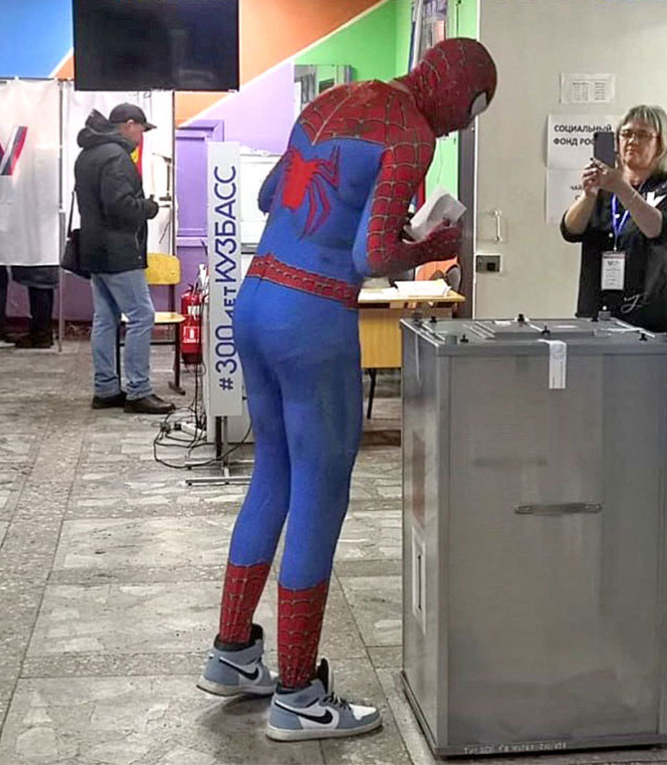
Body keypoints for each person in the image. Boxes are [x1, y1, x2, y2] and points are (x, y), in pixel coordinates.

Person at [196, 38, 497, 742]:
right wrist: (428, 244)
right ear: (459, 91)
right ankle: (298, 692)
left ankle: (232, 651)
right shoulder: (410, 131)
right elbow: (372, 256)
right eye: (472, 111)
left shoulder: (334, 100)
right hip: (312, 314)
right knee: (321, 494)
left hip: (260, 296)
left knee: (271, 474)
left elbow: (273, 194)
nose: (461, 127)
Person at [73, 103, 173, 414]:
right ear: (129, 124)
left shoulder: (87, 154)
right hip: (118, 251)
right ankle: (138, 390)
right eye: (142, 128)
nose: (142, 135)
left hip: (93, 249)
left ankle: (106, 389)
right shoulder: (116, 157)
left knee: (105, 319)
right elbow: (120, 206)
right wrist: (150, 207)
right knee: (142, 315)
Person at [560, 105, 667, 339]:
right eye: (626, 134)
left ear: (661, 144)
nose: (632, 141)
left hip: (649, 317)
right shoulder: (604, 189)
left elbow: (657, 230)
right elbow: (570, 230)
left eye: (643, 135)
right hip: (597, 311)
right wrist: (589, 195)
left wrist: (621, 188)